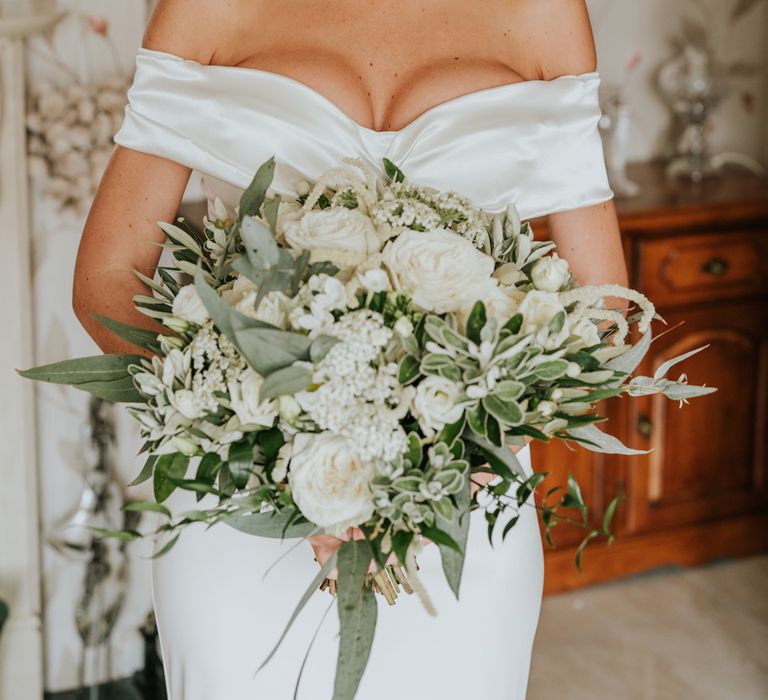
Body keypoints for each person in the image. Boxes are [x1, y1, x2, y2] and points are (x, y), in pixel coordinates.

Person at [73, 1, 628, 697]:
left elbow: (601, 313)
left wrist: (444, 455)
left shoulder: (544, 13)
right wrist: (261, 433)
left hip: (460, 499)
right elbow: (106, 280)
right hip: (243, 502)